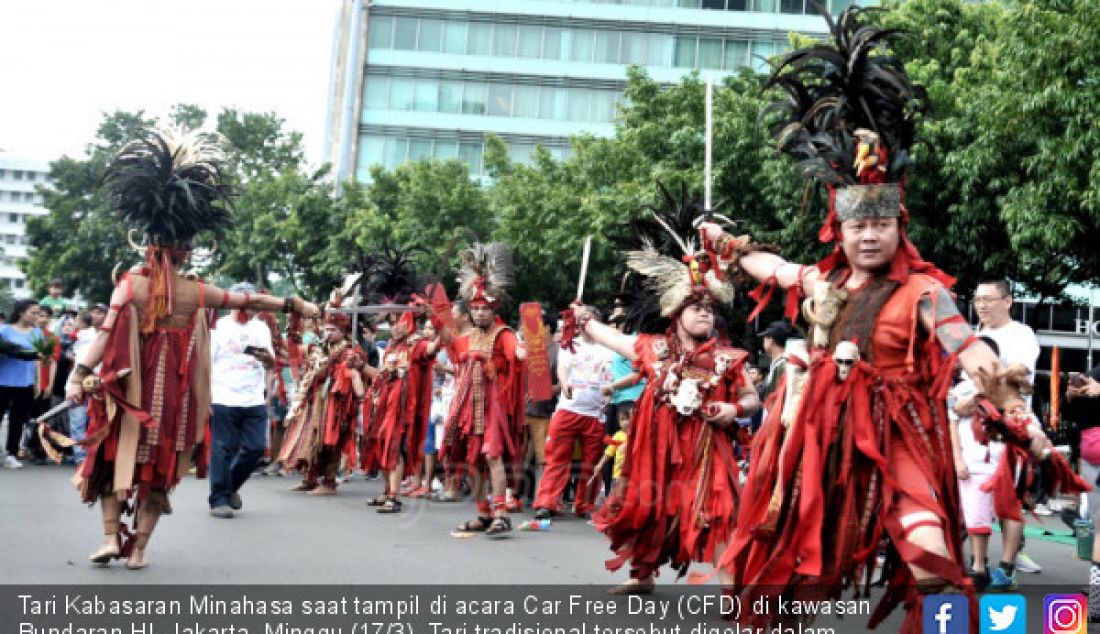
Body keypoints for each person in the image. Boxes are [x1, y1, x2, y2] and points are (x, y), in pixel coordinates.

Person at [699, 10, 1081, 631]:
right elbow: (772, 267)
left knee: (930, 557)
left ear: (898, 226)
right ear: (839, 229)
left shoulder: (925, 290)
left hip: (899, 430)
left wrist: (1018, 416)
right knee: (792, 566)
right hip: (817, 433)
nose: (870, 234)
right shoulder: (821, 280)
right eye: (858, 225)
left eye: (881, 223)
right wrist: (727, 245)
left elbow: (971, 351)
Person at [65, 129, 318, 570]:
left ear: (148, 244)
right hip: (161, 401)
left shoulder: (134, 285)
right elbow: (251, 300)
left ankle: (113, 539)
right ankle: (136, 549)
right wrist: (296, 304)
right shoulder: (194, 292)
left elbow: (104, 333)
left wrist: (76, 374)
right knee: (153, 469)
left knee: (113, 461)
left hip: (129, 395)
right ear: (186, 252)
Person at [567, 183, 761, 594]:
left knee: (722, 510)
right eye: (696, 307)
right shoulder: (653, 349)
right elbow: (612, 339)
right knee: (646, 507)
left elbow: (751, 398)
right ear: (675, 314)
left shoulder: (729, 358)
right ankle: (641, 577)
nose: (704, 314)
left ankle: (732, 592)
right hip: (654, 449)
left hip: (709, 449)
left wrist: (735, 411)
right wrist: (584, 320)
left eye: (709, 308)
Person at [440, 243, 527, 537]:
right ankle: (483, 512)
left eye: (484, 309)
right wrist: (434, 316)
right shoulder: (466, 338)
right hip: (468, 408)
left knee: (492, 455)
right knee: (472, 460)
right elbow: (449, 348)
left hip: (495, 408)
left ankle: (501, 511)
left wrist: (524, 354)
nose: (479, 314)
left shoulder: (503, 334)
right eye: (475, 309)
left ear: (493, 309)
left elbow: (515, 350)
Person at [973, 277, 1045, 575]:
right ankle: (979, 563)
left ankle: (1009, 563)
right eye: (978, 300)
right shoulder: (972, 333)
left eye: (988, 299)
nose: (981, 305)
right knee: (977, 496)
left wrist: (986, 383)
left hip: (1011, 426)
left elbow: (1019, 372)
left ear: (1008, 301)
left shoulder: (1021, 334)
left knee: (1010, 496)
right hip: (974, 429)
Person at [532, 305, 614, 520]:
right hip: (568, 410)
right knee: (557, 459)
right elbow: (562, 368)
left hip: (596, 413)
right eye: (582, 320)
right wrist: (565, 382)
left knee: (591, 462)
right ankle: (546, 503)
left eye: (590, 320)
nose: (586, 324)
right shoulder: (569, 344)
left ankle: (584, 504)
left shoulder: (609, 348)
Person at [280, 295, 365, 496]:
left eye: (333, 330)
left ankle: (329, 482)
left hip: (337, 402)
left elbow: (353, 376)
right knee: (311, 438)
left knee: (331, 440)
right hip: (316, 399)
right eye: (326, 329)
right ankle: (310, 479)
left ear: (343, 331)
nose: (328, 333)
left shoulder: (350, 351)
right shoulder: (319, 348)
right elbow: (294, 352)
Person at [207, 282, 277, 519]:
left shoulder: (261, 328)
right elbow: (206, 365)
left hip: (253, 398)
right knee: (222, 448)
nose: (252, 309)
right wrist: (206, 396)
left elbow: (270, 364)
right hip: (224, 396)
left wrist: (267, 361)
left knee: (256, 448)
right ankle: (219, 500)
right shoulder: (217, 327)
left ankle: (229, 488)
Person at [363, 308, 440, 514]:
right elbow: (380, 375)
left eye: (400, 322)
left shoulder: (417, 345)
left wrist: (441, 324)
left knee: (394, 446)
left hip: (402, 408)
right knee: (381, 445)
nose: (395, 327)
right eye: (392, 322)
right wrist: (361, 366)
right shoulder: (389, 348)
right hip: (382, 404)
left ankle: (394, 497)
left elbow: (433, 348)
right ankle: (387, 490)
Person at [0, 299, 44, 469]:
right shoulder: (4, 330)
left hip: (25, 383)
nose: (36, 316)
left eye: (38, 313)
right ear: (21, 312)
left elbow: (39, 359)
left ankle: (11, 454)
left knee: (17, 421)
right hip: (3, 382)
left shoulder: (37, 333)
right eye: (33, 313)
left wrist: (38, 381)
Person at [66, 306, 106, 465]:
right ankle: (80, 458)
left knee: (96, 423)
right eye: (93, 312)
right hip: (77, 384)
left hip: (101, 386)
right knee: (78, 422)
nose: (95, 315)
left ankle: (95, 456)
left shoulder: (112, 335)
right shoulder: (81, 334)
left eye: (100, 312)